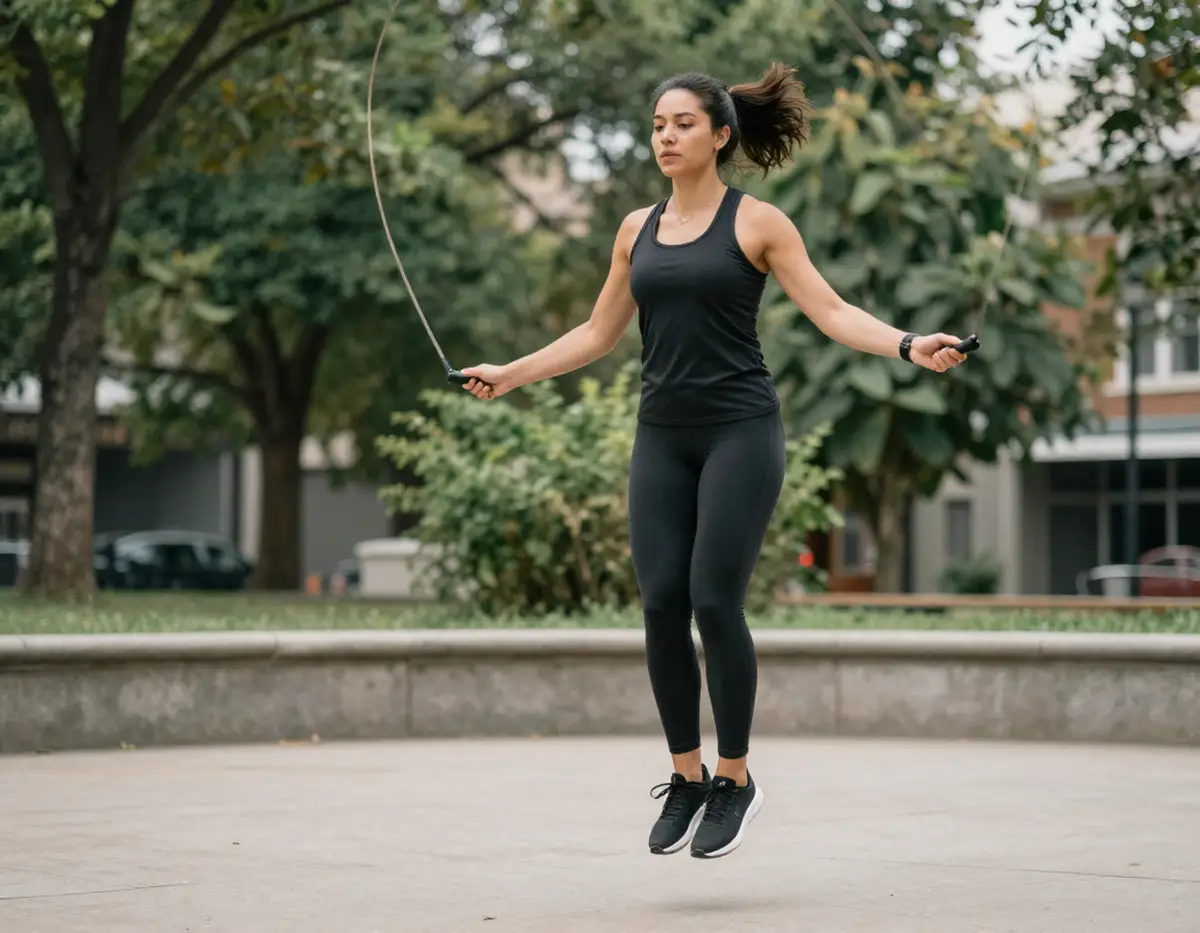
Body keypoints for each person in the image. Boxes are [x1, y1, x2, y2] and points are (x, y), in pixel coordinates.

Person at [458, 62, 968, 859]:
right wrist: (509, 372)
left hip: (740, 429)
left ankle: (735, 777)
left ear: (721, 134)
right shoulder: (636, 228)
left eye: (683, 123)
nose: (666, 135)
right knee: (661, 600)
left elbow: (830, 310)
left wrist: (909, 344)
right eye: (658, 124)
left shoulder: (758, 223)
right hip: (662, 433)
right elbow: (597, 335)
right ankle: (687, 776)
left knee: (712, 599)